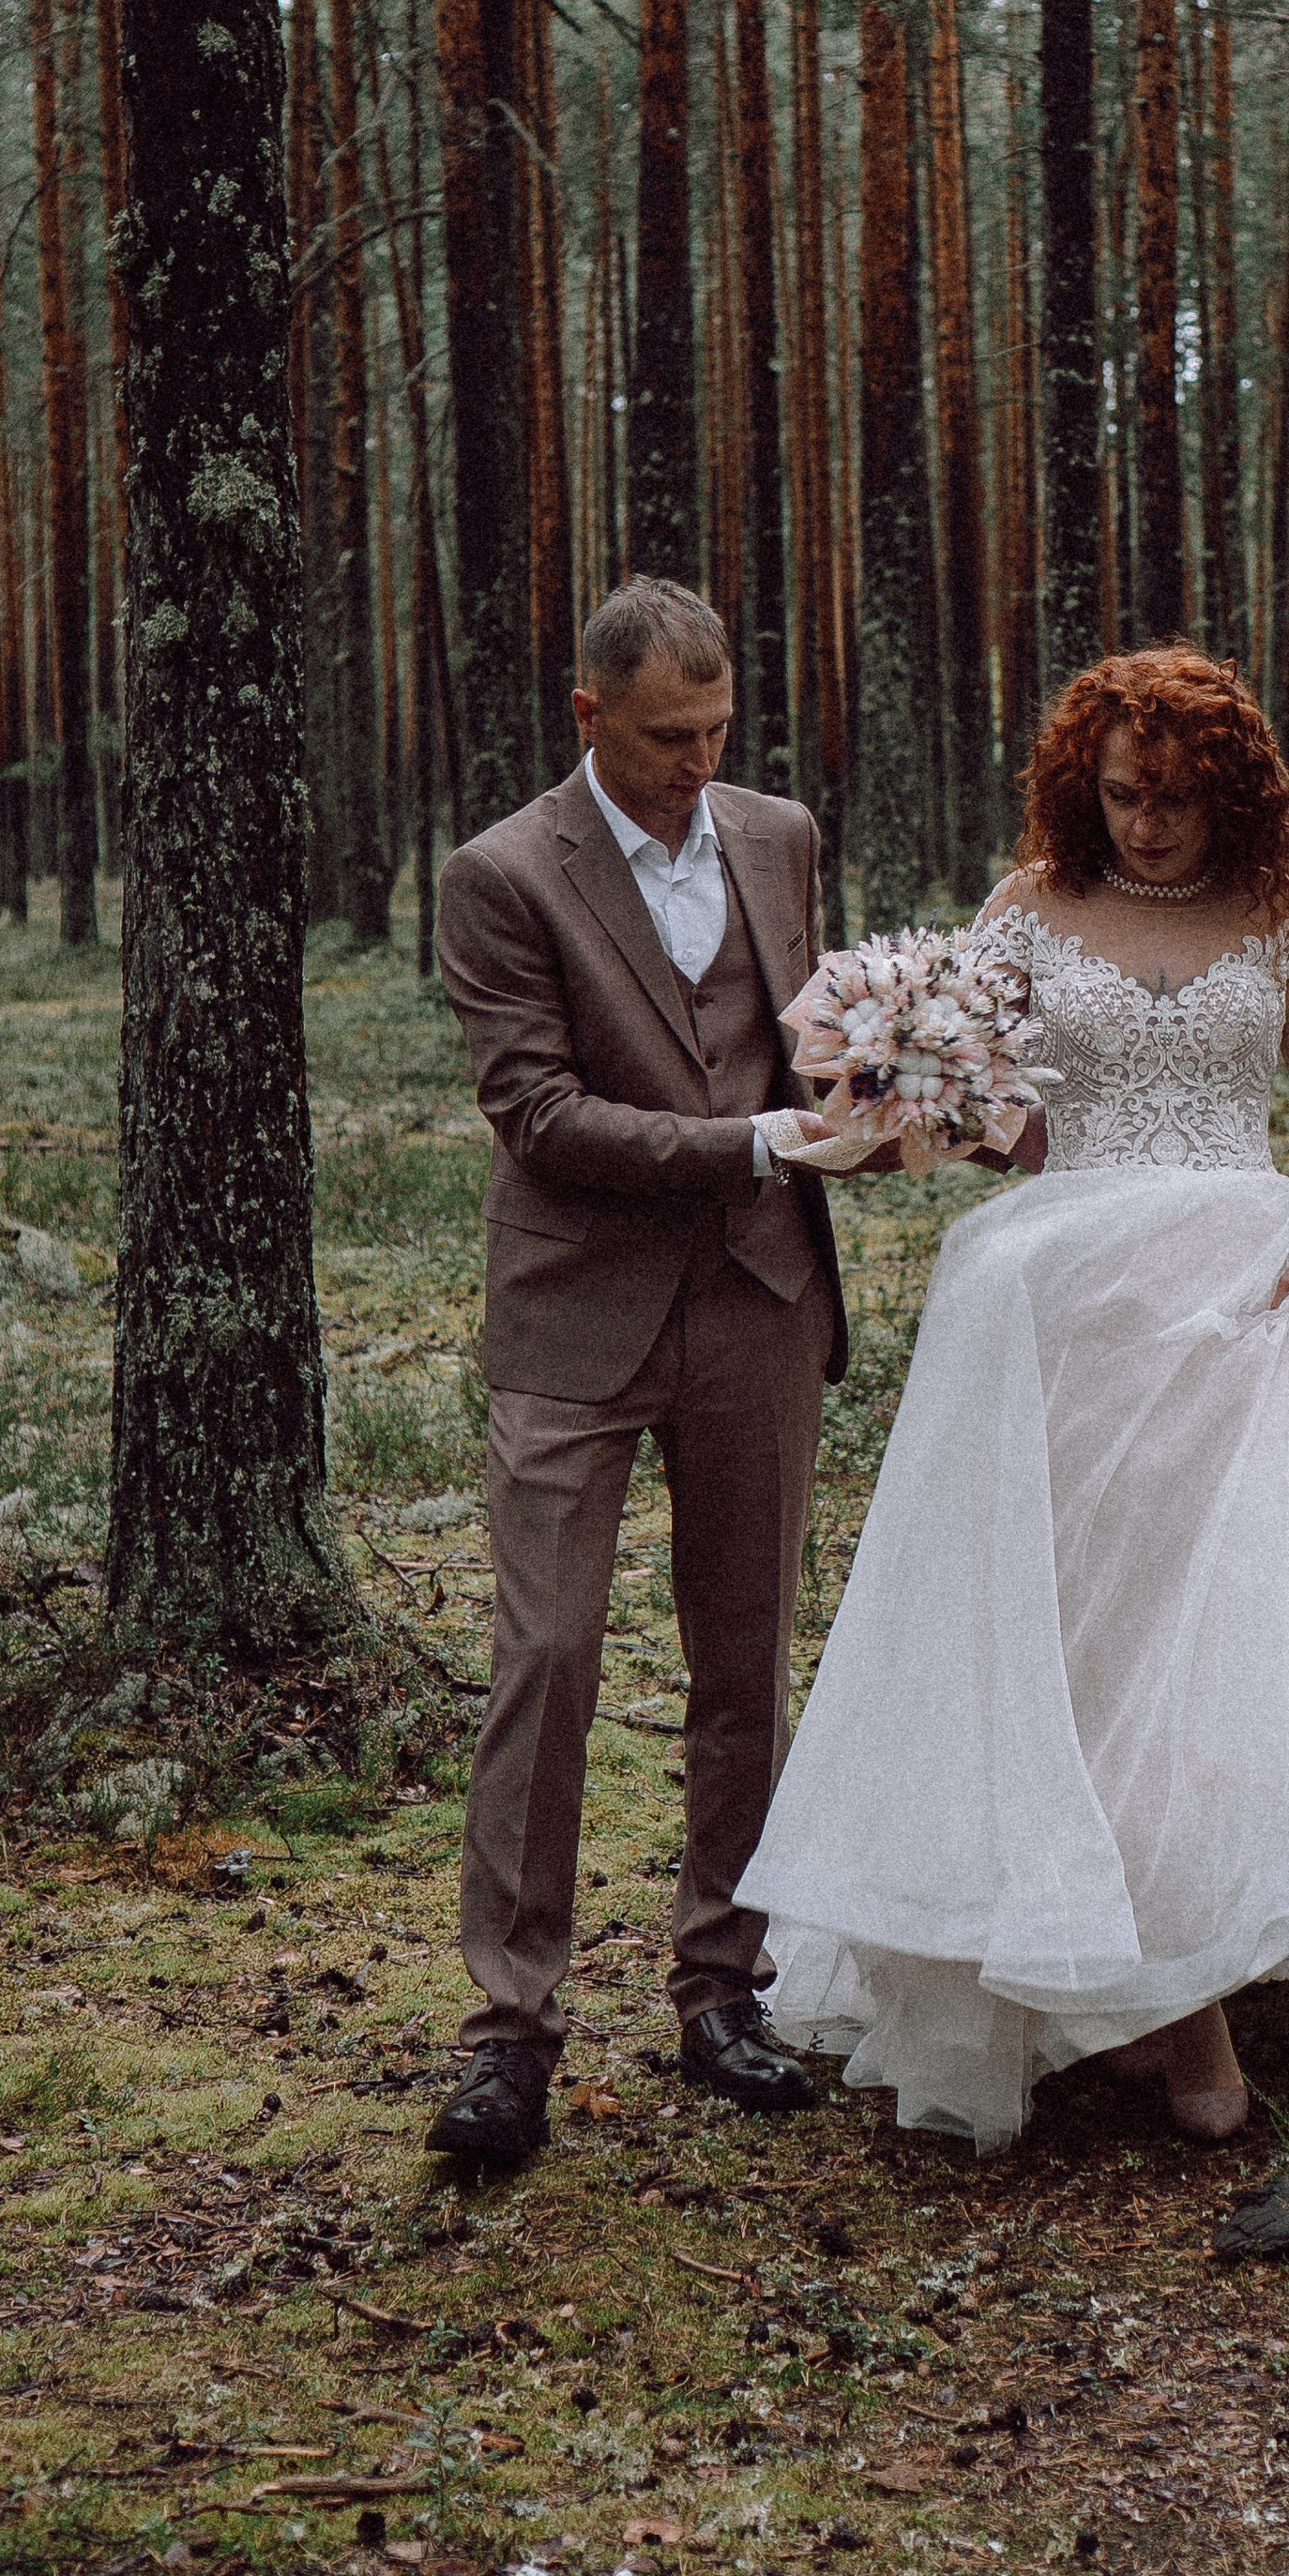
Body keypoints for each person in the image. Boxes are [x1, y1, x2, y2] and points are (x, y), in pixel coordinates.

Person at [743, 645, 1289, 2152]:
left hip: (1241, 1293)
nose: (1148, 827)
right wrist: (894, 1102)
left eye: (1177, 799)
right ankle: (1152, 2008)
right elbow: (992, 1128)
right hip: (1062, 1303)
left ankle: (1200, 1954)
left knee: (1231, 1636)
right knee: (1085, 1637)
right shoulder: (1028, 907)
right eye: (1123, 795)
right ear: (1086, 783)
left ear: (1226, 791)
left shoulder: (1279, 912)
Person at [422, 579, 861, 2163]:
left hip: (757, 1301)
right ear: (589, 713)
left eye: (718, 731)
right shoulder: (498, 878)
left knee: (743, 1659)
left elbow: (812, 1038)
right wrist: (754, 1141)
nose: (699, 763)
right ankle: (507, 2032)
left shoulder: (780, 835)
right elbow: (535, 1113)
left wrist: (912, 1088)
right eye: (668, 738)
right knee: (546, 1662)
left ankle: (722, 1984)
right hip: (575, 1319)